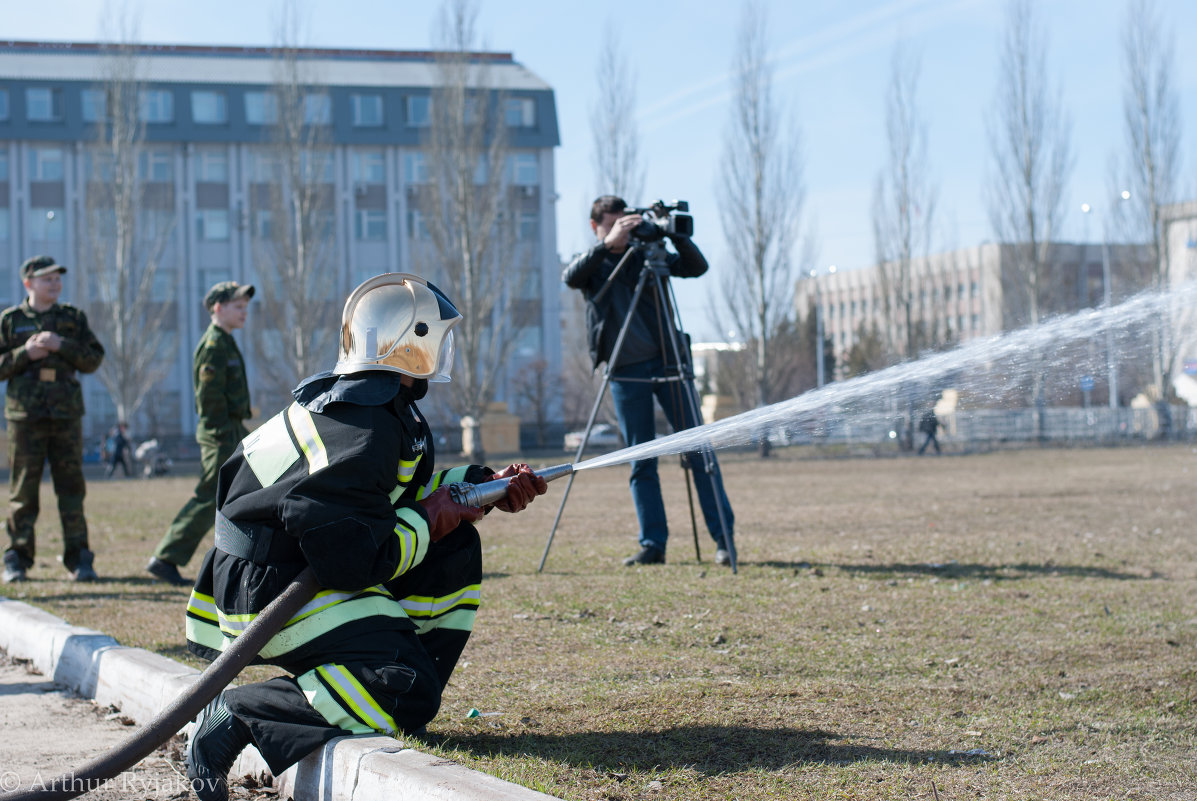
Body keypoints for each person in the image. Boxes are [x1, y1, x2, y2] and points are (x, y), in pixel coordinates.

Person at [182, 273, 547, 801]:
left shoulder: (374, 406)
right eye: (435, 336)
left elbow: (393, 498)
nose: (441, 348)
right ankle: (247, 710)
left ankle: (389, 673)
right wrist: (436, 515)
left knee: (454, 546)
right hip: (272, 587)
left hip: (291, 565)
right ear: (408, 339)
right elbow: (355, 559)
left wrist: (478, 489)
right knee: (408, 692)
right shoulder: (363, 429)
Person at [563, 195, 735, 567]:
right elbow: (571, 277)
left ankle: (724, 540)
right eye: (612, 224)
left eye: (625, 222)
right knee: (642, 461)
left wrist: (675, 237)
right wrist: (609, 246)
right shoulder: (593, 264)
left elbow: (695, 268)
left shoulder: (646, 254)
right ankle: (653, 545)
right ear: (596, 227)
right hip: (626, 371)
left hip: (670, 362)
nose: (622, 230)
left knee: (699, 453)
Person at [0, 255, 105, 583]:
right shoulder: (11, 321)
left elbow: (93, 359)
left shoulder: (72, 319)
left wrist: (62, 345)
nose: (55, 283)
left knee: (72, 489)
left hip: (65, 417)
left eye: (58, 278)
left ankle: (79, 559)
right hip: (25, 418)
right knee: (23, 491)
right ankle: (16, 558)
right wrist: (24, 355)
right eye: (47, 279)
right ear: (28, 283)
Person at [148, 281, 254, 586]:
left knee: (240, 492)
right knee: (210, 496)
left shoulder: (226, 340)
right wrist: (223, 435)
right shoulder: (213, 346)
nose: (244, 312)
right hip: (220, 431)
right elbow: (208, 400)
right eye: (238, 306)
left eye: (245, 307)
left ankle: (240, 555)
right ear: (217, 308)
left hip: (232, 428)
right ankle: (165, 557)